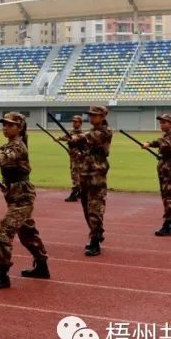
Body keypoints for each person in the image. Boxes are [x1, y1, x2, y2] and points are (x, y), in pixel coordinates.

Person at [0, 112, 49, 289]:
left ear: (20, 127)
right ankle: (42, 266)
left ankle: (3, 275)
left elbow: (3, 158)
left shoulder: (17, 146)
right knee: (27, 232)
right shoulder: (10, 145)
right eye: (4, 124)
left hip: (22, 198)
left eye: (9, 125)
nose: (5, 127)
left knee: (2, 234)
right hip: (15, 194)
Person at [69, 106, 113, 256]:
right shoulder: (91, 131)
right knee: (86, 208)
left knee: (95, 208)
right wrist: (76, 144)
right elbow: (84, 145)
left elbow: (90, 137)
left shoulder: (105, 131)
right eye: (90, 115)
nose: (92, 118)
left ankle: (94, 240)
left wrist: (76, 139)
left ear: (103, 116)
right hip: (85, 173)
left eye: (95, 115)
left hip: (97, 175)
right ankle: (97, 234)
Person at [142, 114, 171, 236]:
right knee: (169, 195)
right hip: (166, 167)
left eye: (164, 122)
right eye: (161, 122)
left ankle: (168, 225)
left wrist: (149, 144)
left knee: (168, 196)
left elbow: (164, 144)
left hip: (170, 168)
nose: (161, 124)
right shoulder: (167, 136)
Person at [59, 115, 84, 202]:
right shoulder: (72, 132)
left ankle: (75, 193)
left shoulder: (81, 133)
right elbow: (66, 137)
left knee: (75, 174)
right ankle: (80, 192)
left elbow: (71, 138)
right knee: (77, 174)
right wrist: (59, 138)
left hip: (78, 156)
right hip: (73, 156)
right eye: (73, 121)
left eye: (76, 121)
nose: (74, 123)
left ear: (80, 123)